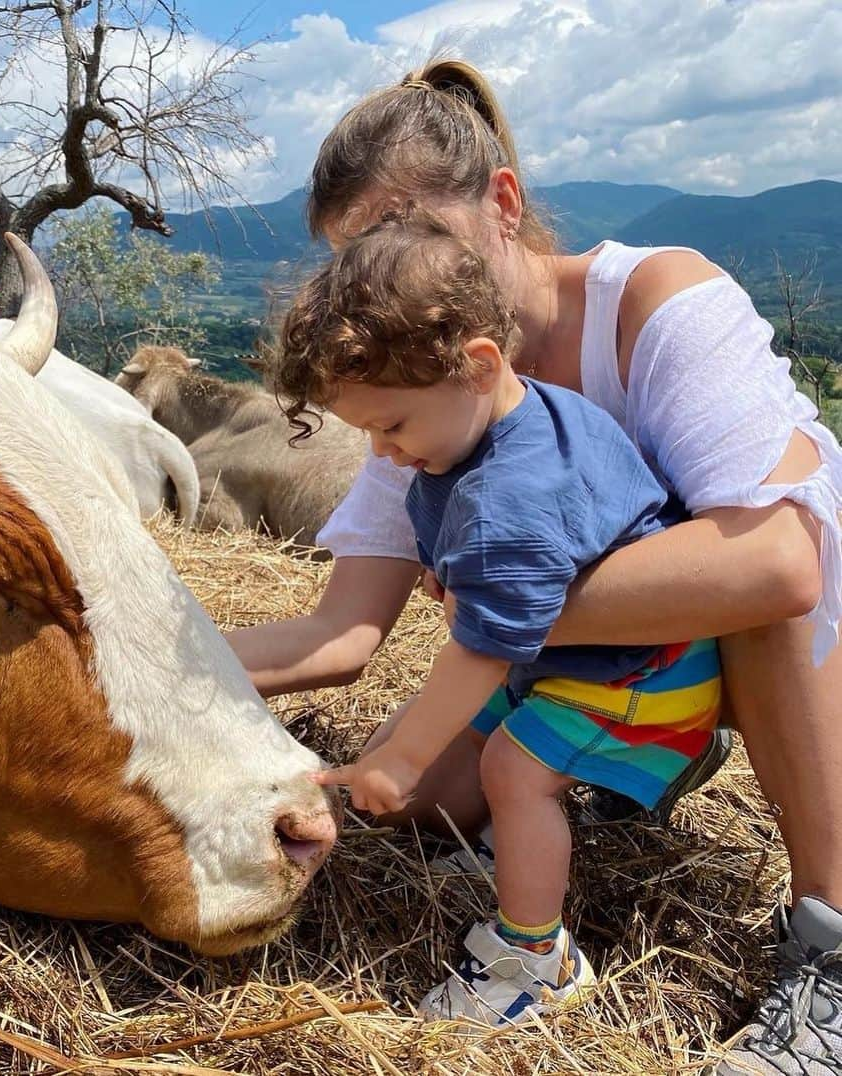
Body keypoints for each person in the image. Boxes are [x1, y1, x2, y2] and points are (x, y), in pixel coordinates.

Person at [226, 59, 842, 1073]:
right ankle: (639, 759)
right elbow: (342, 630)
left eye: (400, 237)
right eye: (354, 263)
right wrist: (145, 655)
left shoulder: (653, 303)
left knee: (762, 579)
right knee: (423, 806)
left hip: (775, 635)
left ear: (501, 203)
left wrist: (496, 612)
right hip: (608, 649)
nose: (378, 283)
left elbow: (779, 562)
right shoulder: (415, 393)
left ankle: (830, 943)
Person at [275, 209, 724, 1025]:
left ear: (479, 364)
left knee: (514, 773)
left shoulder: (503, 499)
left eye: (392, 425)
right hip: (586, 660)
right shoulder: (513, 414)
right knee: (479, 756)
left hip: (641, 676)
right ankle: (515, 852)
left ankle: (533, 960)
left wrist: (404, 760)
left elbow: (484, 647)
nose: (384, 454)